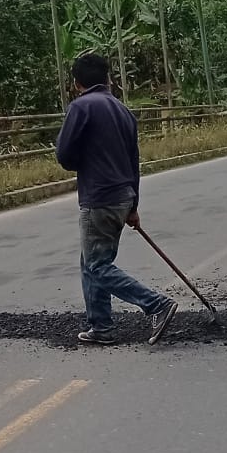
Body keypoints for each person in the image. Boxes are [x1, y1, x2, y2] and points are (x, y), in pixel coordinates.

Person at [54, 52, 178, 346]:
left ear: (76, 83)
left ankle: (156, 304)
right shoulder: (123, 111)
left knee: (97, 266)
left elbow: (65, 156)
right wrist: (133, 206)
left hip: (99, 197)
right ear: (108, 79)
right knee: (91, 261)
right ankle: (101, 326)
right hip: (123, 195)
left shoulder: (80, 107)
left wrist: (82, 159)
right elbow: (133, 162)